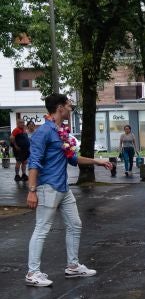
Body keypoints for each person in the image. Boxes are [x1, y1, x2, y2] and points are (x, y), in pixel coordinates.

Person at [25, 94, 113, 287]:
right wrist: (32, 190)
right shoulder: (44, 132)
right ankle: (33, 273)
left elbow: (73, 158)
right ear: (59, 108)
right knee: (42, 229)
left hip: (63, 188)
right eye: (68, 105)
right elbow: (34, 162)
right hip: (48, 187)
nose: (71, 107)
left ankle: (73, 266)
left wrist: (97, 161)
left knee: (75, 224)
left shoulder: (60, 132)